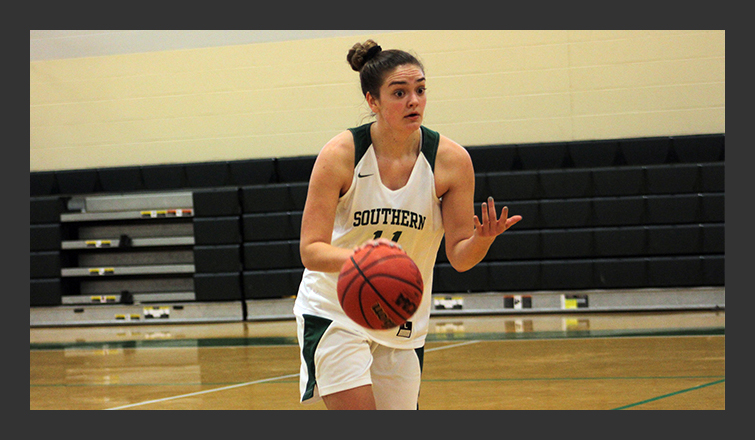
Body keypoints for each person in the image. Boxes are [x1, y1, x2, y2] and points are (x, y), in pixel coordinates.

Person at [293, 39, 521, 410]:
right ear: (373, 101)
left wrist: (482, 239)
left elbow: (460, 257)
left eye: (420, 90)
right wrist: (364, 263)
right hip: (335, 306)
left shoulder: (451, 161)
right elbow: (311, 250)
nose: (413, 100)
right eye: (399, 92)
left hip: (401, 311)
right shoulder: (341, 155)